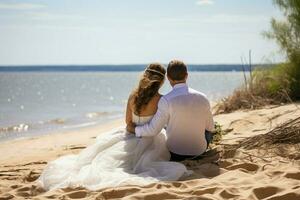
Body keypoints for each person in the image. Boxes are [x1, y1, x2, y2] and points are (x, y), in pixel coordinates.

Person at [37, 63, 190, 191]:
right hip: (152, 138)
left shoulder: (133, 96)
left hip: (131, 135)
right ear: (162, 81)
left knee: (106, 157)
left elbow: (128, 123)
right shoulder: (162, 100)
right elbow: (162, 124)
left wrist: (134, 131)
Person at [127, 60, 215, 162]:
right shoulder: (203, 97)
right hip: (199, 151)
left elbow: (153, 130)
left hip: (175, 153)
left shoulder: (166, 100)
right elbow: (211, 127)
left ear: (168, 77)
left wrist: (134, 129)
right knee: (207, 131)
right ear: (186, 75)